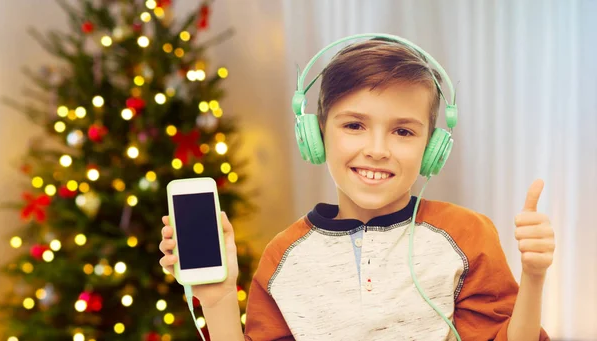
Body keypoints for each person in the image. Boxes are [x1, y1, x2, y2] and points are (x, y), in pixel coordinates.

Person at [159, 34, 555, 341]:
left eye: (403, 131)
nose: (377, 150)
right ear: (315, 135)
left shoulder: (468, 236)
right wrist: (219, 297)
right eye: (354, 125)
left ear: (432, 147)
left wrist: (534, 276)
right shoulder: (283, 257)